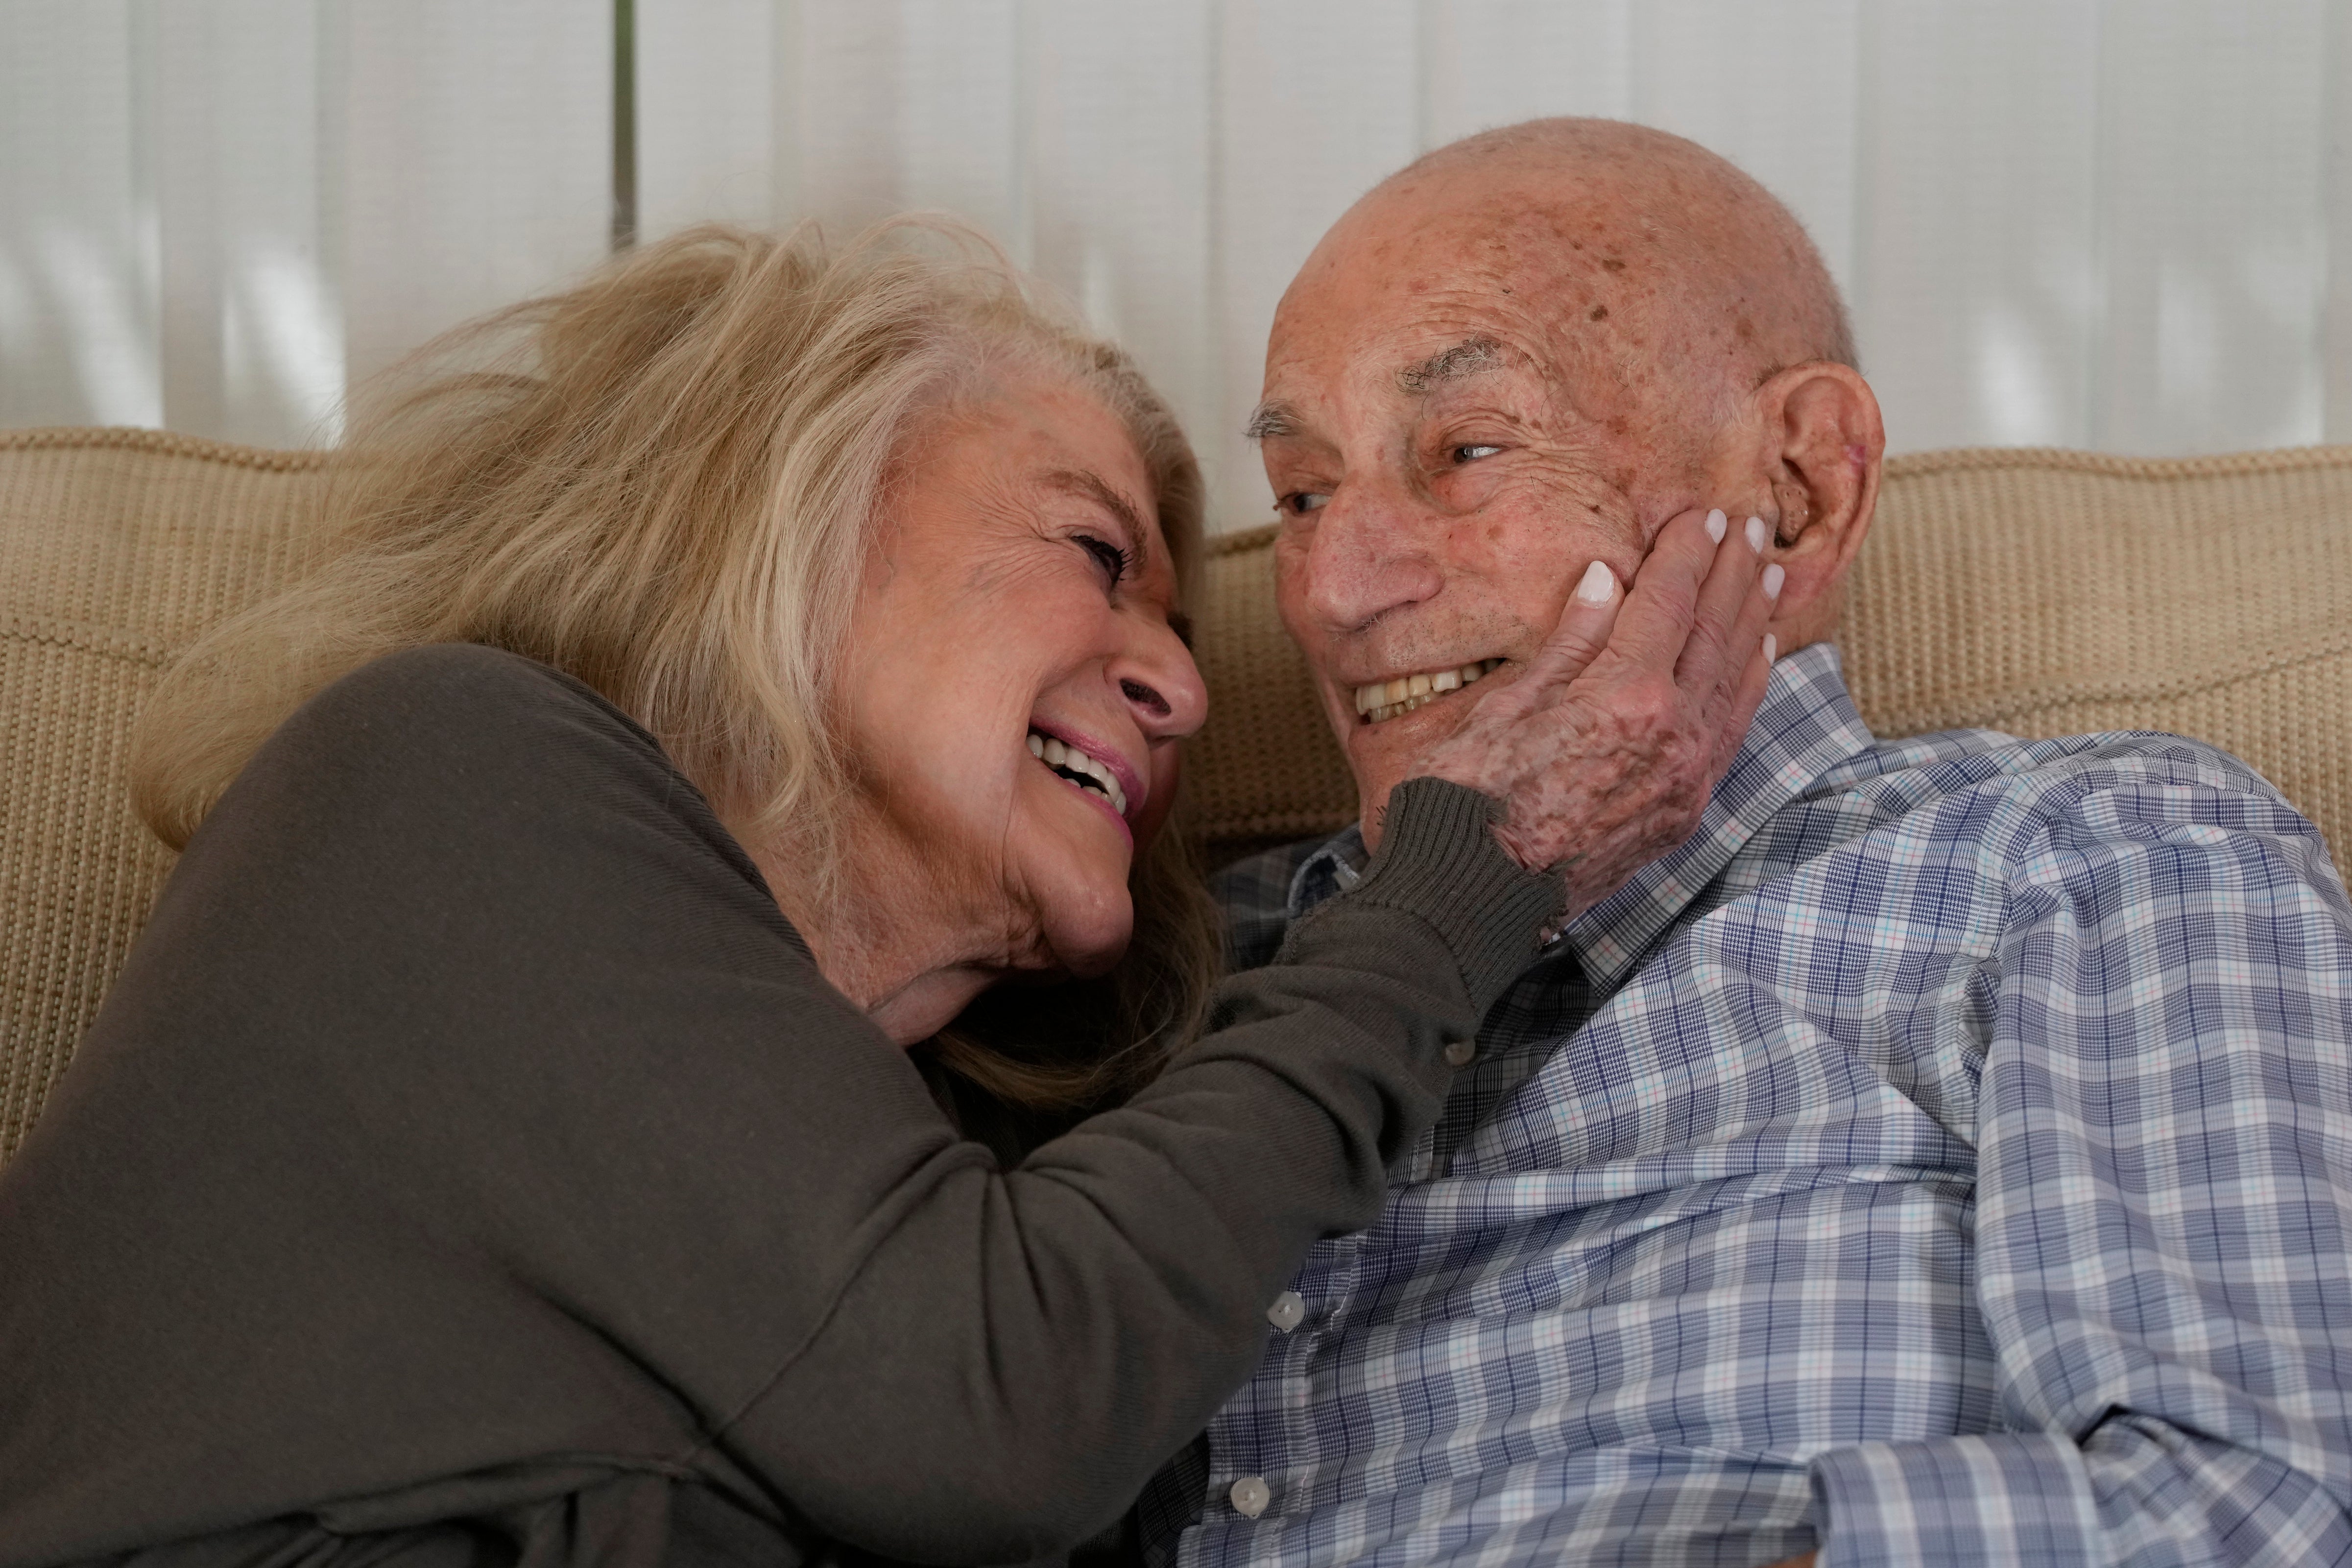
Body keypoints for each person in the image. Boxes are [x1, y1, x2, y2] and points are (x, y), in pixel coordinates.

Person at [0, 220, 1776, 1567]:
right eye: (1096, 554)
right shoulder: (436, 775)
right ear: (780, 510)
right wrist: (1472, 866)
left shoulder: (935, 1177)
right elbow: (989, 1404)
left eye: (1173, 619)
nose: (1183, 684)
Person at [1140, 120, 2352, 1568]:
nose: (1334, 588)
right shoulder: (1194, 962)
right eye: (1300, 495)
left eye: (1466, 449)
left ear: (1800, 486)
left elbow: (2259, 1511)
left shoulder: (2089, 859)